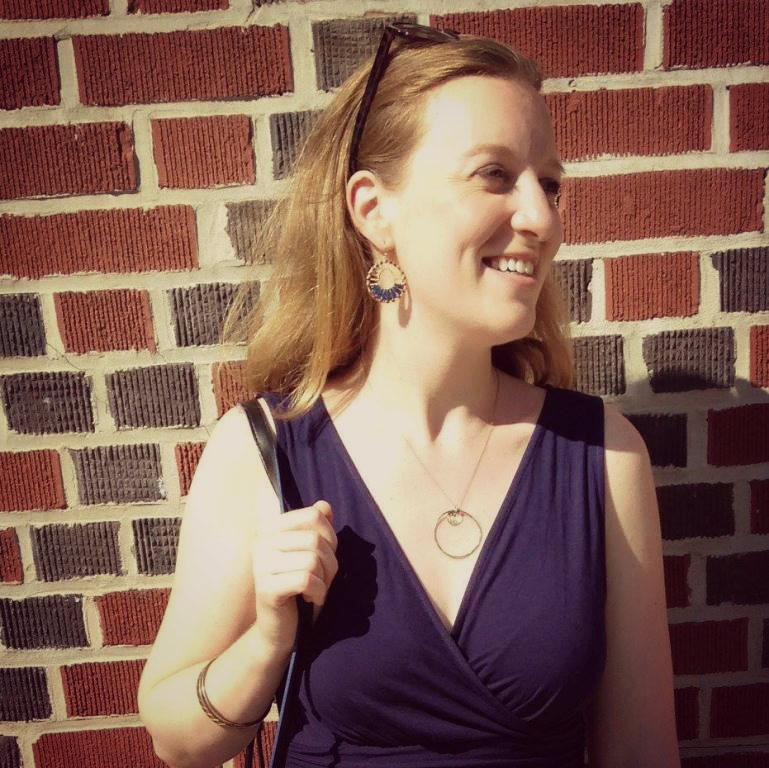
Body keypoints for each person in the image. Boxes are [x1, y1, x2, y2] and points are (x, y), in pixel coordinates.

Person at [138, 24, 680, 768]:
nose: (543, 218)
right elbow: (177, 743)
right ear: (373, 210)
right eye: (494, 174)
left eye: (548, 183)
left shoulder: (602, 455)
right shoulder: (265, 450)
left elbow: (641, 750)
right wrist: (265, 642)